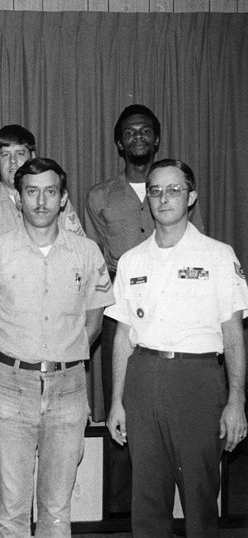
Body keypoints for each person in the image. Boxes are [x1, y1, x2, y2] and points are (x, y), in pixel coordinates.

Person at [0, 158, 113, 537]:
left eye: (50, 192)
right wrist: (2, 368)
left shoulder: (87, 253)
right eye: (31, 192)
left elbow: (94, 322)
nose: (41, 201)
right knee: (13, 510)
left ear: (63, 199)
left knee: (55, 509)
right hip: (11, 390)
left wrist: (65, 358)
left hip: (68, 390)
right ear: (18, 199)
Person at [106, 159, 247, 538]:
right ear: (147, 201)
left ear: (192, 196)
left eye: (174, 190)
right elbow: (123, 335)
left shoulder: (218, 255)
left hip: (196, 382)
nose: (163, 198)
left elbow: (233, 334)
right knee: (148, 499)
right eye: (155, 191)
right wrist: (117, 400)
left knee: (200, 497)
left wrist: (236, 401)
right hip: (143, 379)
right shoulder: (132, 260)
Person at [85, 105, 204, 511]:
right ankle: (120, 507)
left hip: (174, 308)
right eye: (130, 132)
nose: (138, 137)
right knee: (120, 399)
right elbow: (95, 257)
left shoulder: (175, 189)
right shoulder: (99, 196)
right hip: (121, 306)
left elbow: (196, 243)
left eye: (146, 131)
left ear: (156, 139)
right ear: (119, 143)